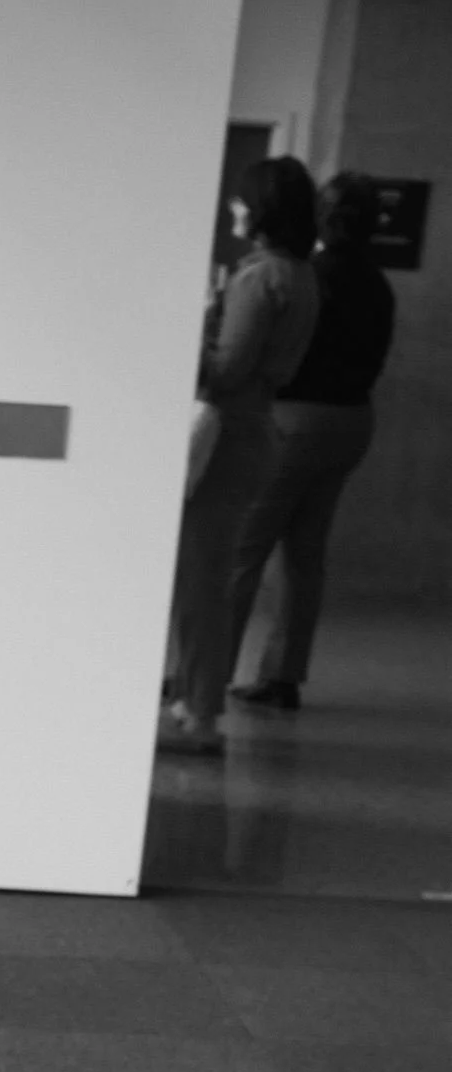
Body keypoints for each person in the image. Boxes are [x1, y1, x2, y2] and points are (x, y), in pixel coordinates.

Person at [161, 155, 319, 755]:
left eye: (240, 200)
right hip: (256, 433)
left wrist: (186, 335)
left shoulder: (257, 278)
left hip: (229, 436)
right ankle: (190, 699)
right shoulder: (299, 274)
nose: (233, 208)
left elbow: (227, 370)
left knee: (202, 583)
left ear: (261, 210)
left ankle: (200, 714)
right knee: (211, 575)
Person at [228, 172, 396, 710]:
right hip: (352, 423)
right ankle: (283, 677)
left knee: (242, 549)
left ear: (324, 217)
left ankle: (204, 672)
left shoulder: (307, 276)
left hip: (295, 421)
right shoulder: (377, 283)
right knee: (305, 555)